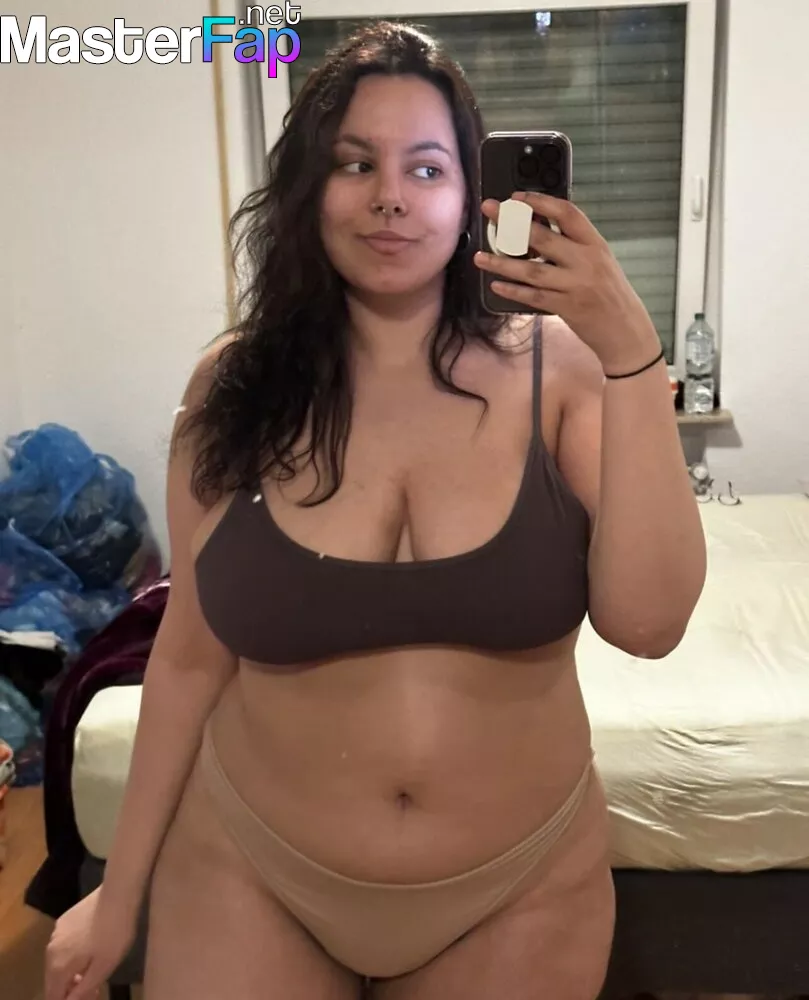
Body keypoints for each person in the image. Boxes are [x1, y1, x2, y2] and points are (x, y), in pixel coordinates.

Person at [44, 20, 706, 1000]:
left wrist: (630, 353)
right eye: (355, 163)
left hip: (516, 887)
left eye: (426, 168)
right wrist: (119, 892)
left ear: (471, 196)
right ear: (307, 189)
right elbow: (186, 655)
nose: (390, 195)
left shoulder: (563, 371)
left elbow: (647, 625)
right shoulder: (234, 387)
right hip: (249, 867)